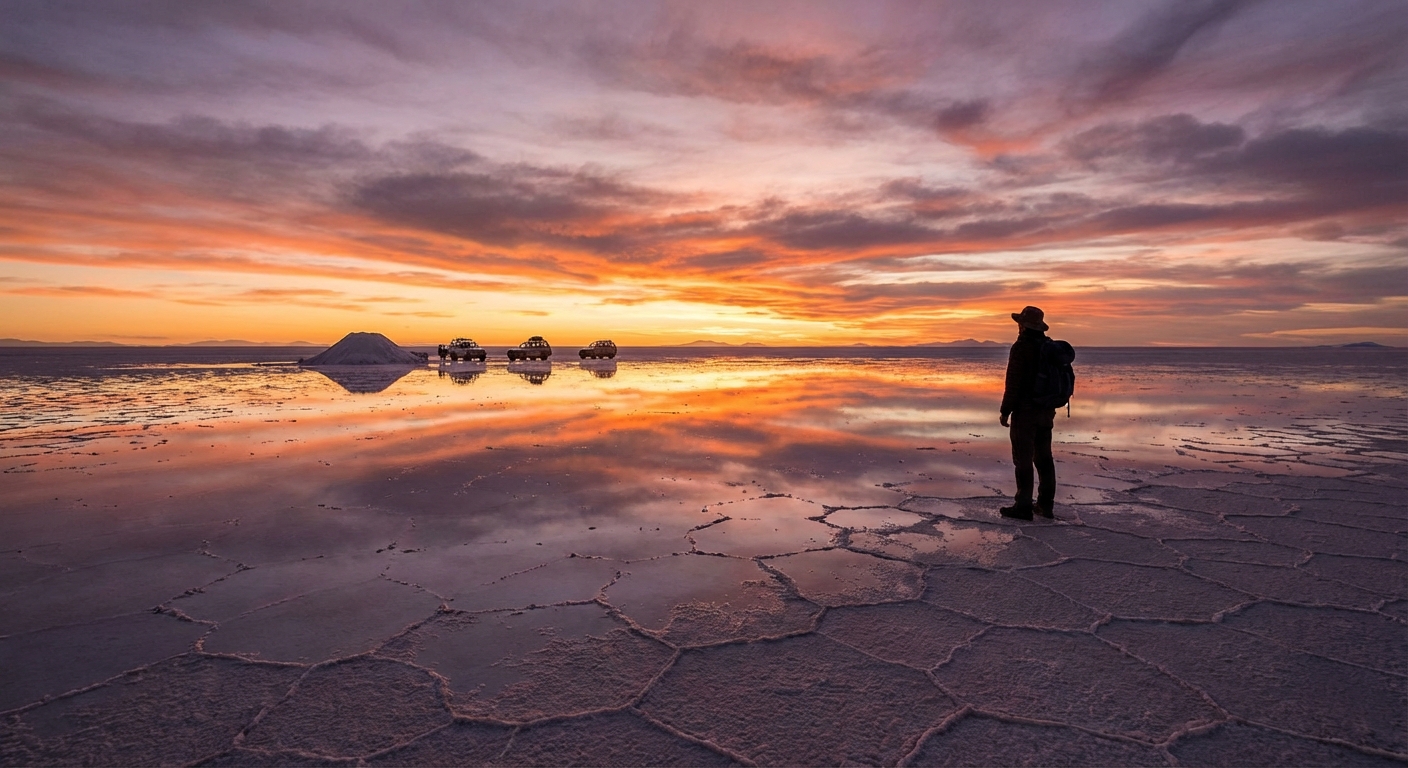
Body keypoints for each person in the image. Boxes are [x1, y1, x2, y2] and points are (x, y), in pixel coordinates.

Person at [999, 306, 1056, 520]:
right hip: (1046, 411)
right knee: (1044, 458)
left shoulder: (1022, 347)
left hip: (1025, 412)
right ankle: (1045, 505)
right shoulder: (1047, 346)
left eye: (1020, 323)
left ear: (1023, 325)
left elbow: (1013, 383)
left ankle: (1023, 506)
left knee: (1022, 459)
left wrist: (1005, 410)